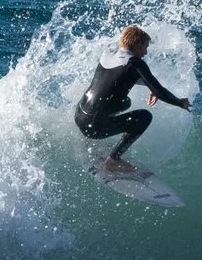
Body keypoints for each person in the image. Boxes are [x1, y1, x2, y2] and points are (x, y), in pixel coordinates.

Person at [73, 25, 191, 171]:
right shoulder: (135, 63)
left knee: (124, 103)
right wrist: (180, 103)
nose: (146, 52)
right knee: (144, 117)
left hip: (79, 117)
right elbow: (160, 92)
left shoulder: (107, 56)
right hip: (94, 128)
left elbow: (118, 77)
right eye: (145, 47)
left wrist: (150, 87)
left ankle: (88, 140)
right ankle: (113, 160)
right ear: (138, 44)